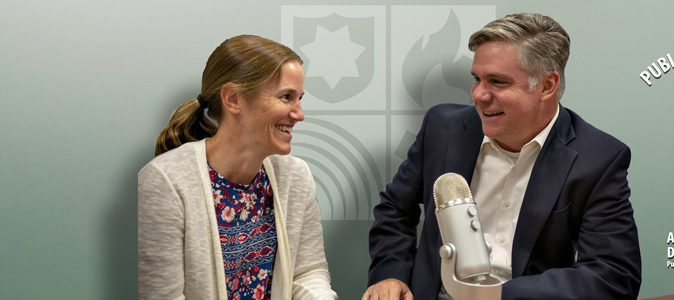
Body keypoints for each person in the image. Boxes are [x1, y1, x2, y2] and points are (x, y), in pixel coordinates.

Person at [364, 13, 641, 300]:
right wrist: (390, 274)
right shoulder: (441, 128)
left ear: (547, 86)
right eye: (476, 79)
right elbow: (395, 210)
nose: (479, 95)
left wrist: (494, 296)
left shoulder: (597, 158)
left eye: (497, 82)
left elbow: (613, 275)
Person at [138, 35, 338, 300]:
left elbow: (308, 273)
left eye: (300, 98)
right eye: (286, 97)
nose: (299, 114)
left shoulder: (296, 177)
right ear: (233, 99)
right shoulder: (165, 182)